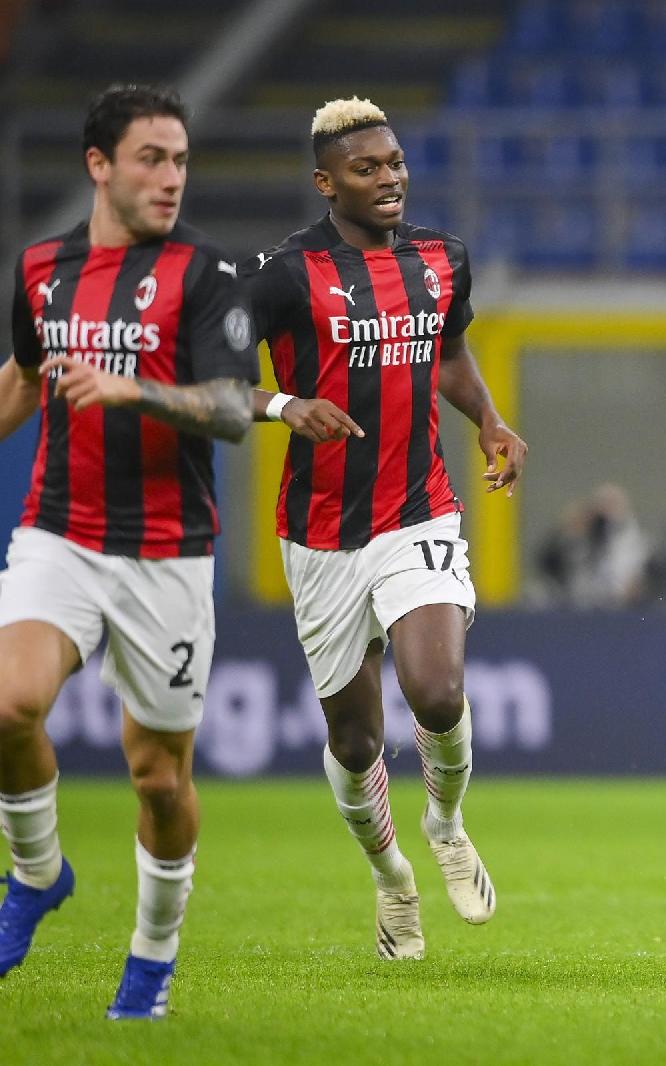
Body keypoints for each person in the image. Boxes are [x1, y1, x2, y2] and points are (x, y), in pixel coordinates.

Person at [243, 97, 527, 959]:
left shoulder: (443, 260)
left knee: (437, 691)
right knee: (356, 736)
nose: (390, 178)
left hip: (419, 508)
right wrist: (286, 405)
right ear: (326, 183)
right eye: (367, 169)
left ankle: (444, 823)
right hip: (321, 532)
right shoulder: (284, 273)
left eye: (395, 162)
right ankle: (390, 874)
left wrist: (489, 421)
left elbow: (448, 352)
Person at [0, 84, 257, 1018]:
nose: (171, 178)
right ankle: (36, 874)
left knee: (158, 776)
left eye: (181, 160)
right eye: (151, 157)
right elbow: (29, 381)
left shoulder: (204, 276)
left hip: (168, 554)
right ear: (98, 165)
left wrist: (134, 391)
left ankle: (151, 958)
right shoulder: (39, 269)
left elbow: (234, 408)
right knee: (7, 703)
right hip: (59, 530)